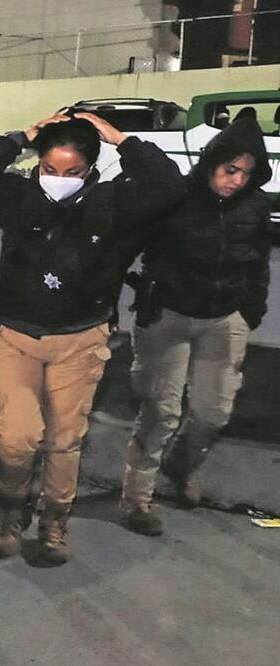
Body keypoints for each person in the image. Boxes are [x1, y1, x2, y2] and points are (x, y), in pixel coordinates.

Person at [0, 111, 184, 565]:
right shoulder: (17, 198)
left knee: (63, 440)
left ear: (92, 169)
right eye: (49, 170)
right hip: (15, 336)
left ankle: (53, 521)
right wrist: (23, 136)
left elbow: (169, 187)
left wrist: (120, 138)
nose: (59, 180)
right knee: (18, 438)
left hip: (81, 340)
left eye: (72, 172)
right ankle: (9, 511)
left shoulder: (115, 204)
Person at [120, 118, 272, 536]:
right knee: (160, 412)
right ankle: (137, 500)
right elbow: (129, 243)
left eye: (246, 173)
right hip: (167, 317)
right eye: (230, 169)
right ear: (211, 163)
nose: (236, 181)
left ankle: (181, 465)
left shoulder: (255, 207)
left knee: (213, 412)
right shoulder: (175, 199)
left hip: (224, 320)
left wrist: (249, 313)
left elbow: (259, 263)